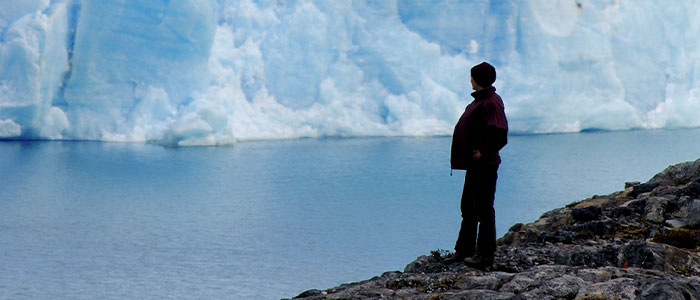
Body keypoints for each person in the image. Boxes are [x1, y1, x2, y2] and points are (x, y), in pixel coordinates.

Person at [445, 62, 508, 268]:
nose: (470, 80)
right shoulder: (482, 100)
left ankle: (485, 255)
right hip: (476, 165)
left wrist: (484, 151)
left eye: (472, 77)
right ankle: (464, 250)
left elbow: (499, 133)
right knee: (469, 208)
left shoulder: (491, 102)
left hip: (485, 165)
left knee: (483, 209)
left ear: (478, 80)